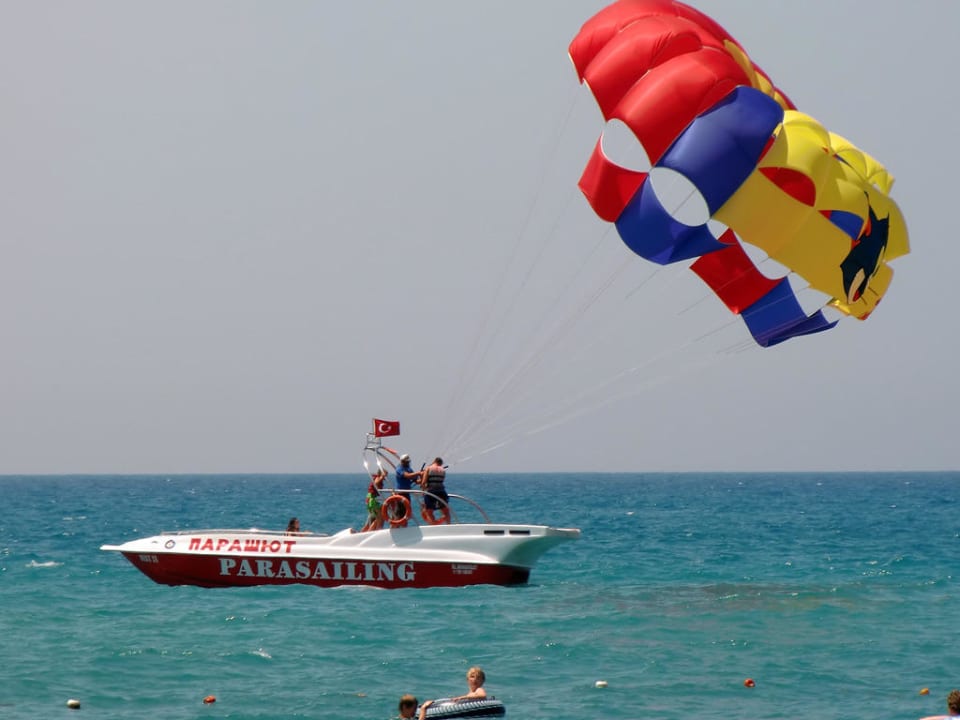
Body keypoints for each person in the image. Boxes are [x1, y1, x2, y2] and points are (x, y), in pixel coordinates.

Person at [418, 667, 487, 720]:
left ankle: (423, 709)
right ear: (467, 679)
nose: (475, 679)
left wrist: (463, 697)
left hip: (474, 711)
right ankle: (423, 709)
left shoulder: (479, 689)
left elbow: (483, 695)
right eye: (472, 676)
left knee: (424, 708)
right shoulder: (470, 693)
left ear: (482, 681)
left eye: (478, 677)